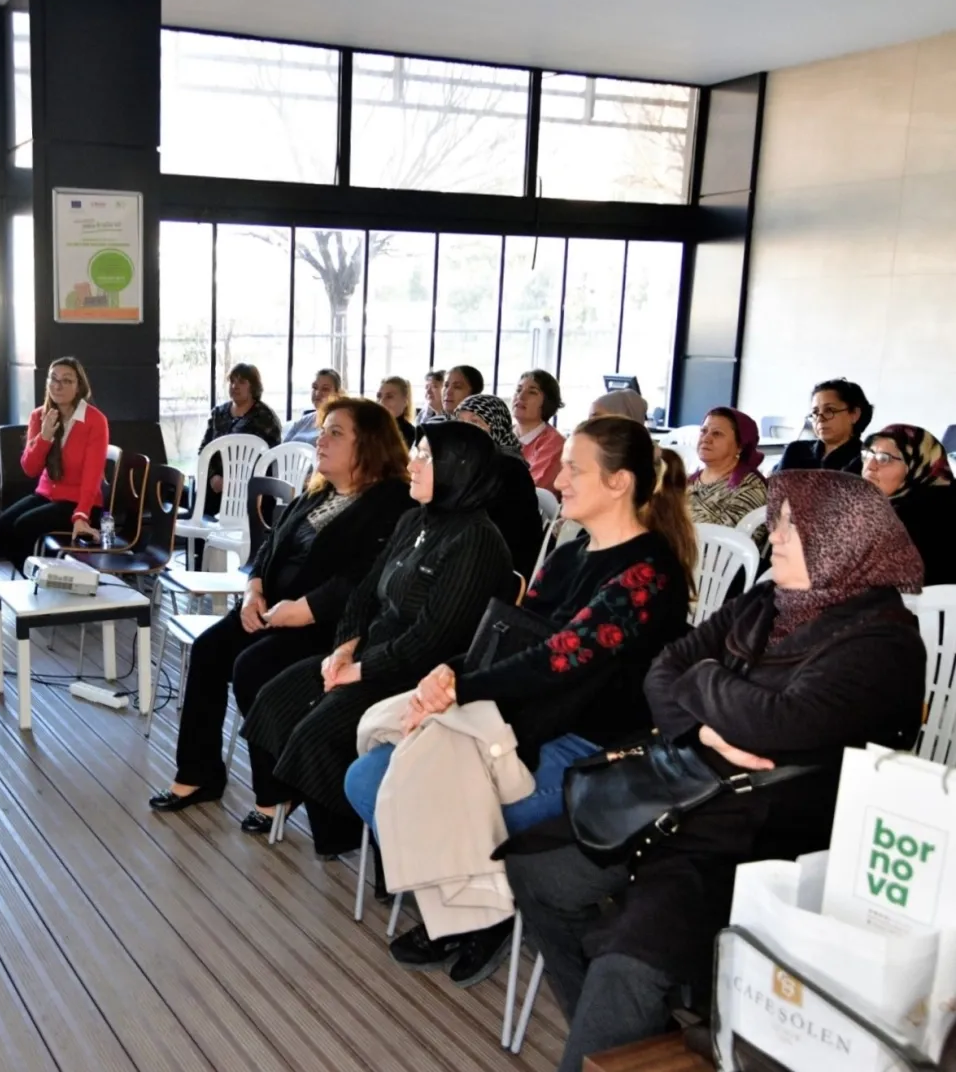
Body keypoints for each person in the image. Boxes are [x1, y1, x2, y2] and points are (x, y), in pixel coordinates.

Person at [505, 470, 925, 1071]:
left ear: (841, 540)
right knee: (536, 870)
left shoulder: (884, 646)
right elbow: (663, 669)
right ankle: (630, 1050)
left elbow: (775, 722)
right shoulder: (768, 601)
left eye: (792, 525)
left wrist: (702, 679)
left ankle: (617, 1034)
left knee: (628, 963)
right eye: (777, 522)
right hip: (684, 792)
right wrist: (706, 724)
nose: (774, 536)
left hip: (764, 839)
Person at [370, 415, 696, 987]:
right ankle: (469, 901)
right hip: (526, 720)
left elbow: (561, 657)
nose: (559, 480)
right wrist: (449, 677)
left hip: (593, 748)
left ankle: (486, 912)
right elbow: (514, 634)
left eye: (573, 469)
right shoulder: (570, 554)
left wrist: (462, 688)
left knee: (429, 792)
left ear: (619, 482)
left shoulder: (649, 573)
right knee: (371, 776)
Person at [238, 422, 514, 855]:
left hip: (418, 678)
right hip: (370, 657)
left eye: (426, 456)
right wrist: (343, 649)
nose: (413, 464)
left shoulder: (476, 542)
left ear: (457, 469)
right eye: (416, 453)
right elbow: (364, 594)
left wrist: (356, 672)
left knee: (315, 734)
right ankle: (329, 822)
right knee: (273, 700)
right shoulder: (414, 520)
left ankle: (353, 835)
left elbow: (431, 641)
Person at [147, 397, 414, 813]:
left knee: (252, 668)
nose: (321, 440)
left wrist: (303, 610)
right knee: (208, 650)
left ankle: (278, 790)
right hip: (273, 610)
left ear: (370, 444)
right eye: (323, 431)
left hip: (330, 628)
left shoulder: (393, 503)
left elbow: (364, 579)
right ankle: (199, 773)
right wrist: (253, 590)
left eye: (335, 433)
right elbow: (270, 545)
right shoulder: (319, 492)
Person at [0, 357, 110, 574]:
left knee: (24, 526)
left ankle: (41, 580)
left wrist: (81, 516)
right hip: (46, 495)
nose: (58, 385)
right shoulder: (39, 416)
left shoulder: (95, 420)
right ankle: (38, 578)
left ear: (79, 386)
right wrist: (44, 437)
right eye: (53, 379)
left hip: (81, 502)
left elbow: (92, 476)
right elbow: (30, 469)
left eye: (66, 380)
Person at [455, 393, 546, 577]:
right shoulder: (469, 463)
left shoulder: (509, 469)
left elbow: (501, 533)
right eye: (460, 421)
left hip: (499, 567)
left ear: (496, 427)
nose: (464, 429)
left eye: (475, 422)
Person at [863, 424, 956, 585]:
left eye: (884, 459)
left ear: (915, 463)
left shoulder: (916, 516)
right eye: (867, 455)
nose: (869, 466)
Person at [197, 362, 283, 513]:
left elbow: (271, 459)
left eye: (241, 382)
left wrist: (235, 482)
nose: (234, 386)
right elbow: (204, 450)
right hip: (217, 488)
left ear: (253, 387)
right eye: (232, 381)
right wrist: (213, 477)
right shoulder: (218, 414)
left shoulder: (265, 418)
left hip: (251, 490)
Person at [688, 407, 768, 535]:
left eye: (717, 433)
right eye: (703, 431)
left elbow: (729, 543)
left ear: (740, 446)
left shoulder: (749, 488)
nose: (706, 439)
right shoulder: (687, 480)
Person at [776, 378, 871, 474]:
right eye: (815, 412)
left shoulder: (866, 460)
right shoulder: (796, 450)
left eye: (829, 410)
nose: (820, 419)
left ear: (854, 414)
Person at [513, 370, 565, 493]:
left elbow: (531, 490)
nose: (521, 396)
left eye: (532, 392)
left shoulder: (555, 444)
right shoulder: (499, 432)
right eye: (518, 390)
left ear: (548, 402)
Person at [280, 368, 342, 446]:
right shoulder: (302, 422)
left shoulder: (340, 424)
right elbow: (281, 448)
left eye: (325, 389)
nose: (317, 393)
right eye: (315, 387)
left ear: (337, 394)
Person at [375, 375, 419, 447]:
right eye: (379, 396)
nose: (381, 402)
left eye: (389, 397)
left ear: (405, 401)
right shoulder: (369, 429)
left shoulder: (412, 435)